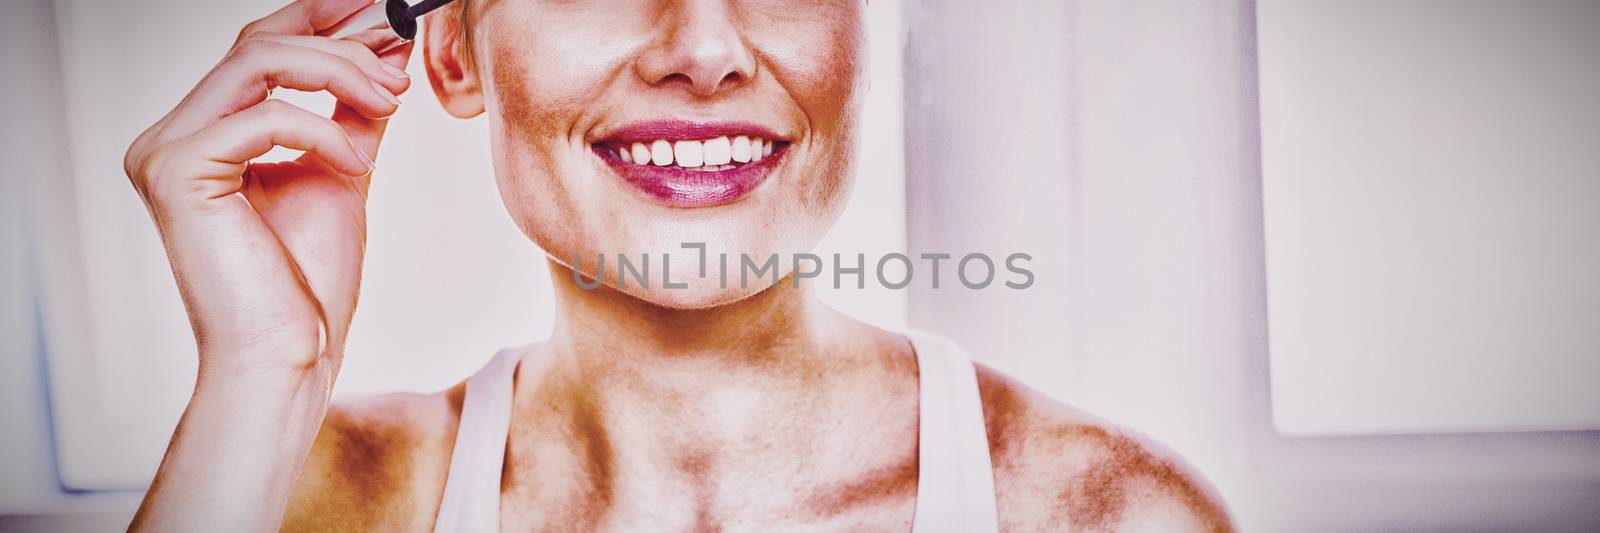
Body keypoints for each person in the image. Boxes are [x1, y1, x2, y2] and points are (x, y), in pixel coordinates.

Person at [122, 0, 1232, 530]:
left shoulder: (1109, 514)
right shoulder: (315, 499)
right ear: (454, 51)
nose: (703, 50)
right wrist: (262, 375)